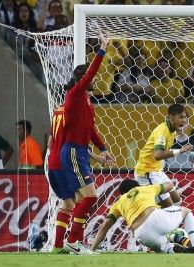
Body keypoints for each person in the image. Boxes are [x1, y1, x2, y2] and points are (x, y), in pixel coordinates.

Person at [60, 30, 115, 255]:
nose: (94, 80)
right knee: (90, 196)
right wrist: (102, 48)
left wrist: (103, 150)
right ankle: (72, 240)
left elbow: (90, 129)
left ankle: (77, 243)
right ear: (84, 79)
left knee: (85, 198)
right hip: (72, 151)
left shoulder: (87, 102)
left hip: (80, 151)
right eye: (90, 78)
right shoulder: (74, 94)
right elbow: (91, 71)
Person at [46, 105, 107, 254]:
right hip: (65, 162)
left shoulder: (57, 111)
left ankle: (58, 246)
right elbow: (72, 141)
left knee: (68, 204)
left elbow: (49, 143)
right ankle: (74, 242)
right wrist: (96, 156)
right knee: (85, 198)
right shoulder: (73, 111)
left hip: (52, 162)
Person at [90, 179, 194, 253]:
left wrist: (92, 249)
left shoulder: (118, 203)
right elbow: (169, 184)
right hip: (155, 218)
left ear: (122, 193)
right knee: (187, 212)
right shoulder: (144, 188)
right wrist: (176, 199)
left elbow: (105, 226)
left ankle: (172, 249)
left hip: (141, 234)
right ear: (137, 186)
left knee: (165, 247)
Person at [134, 103, 192, 207]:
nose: (184, 120)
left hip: (157, 171)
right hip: (147, 172)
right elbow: (158, 155)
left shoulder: (172, 131)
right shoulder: (162, 130)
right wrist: (180, 151)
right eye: (181, 117)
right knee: (169, 207)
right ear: (171, 118)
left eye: (185, 118)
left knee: (177, 201)